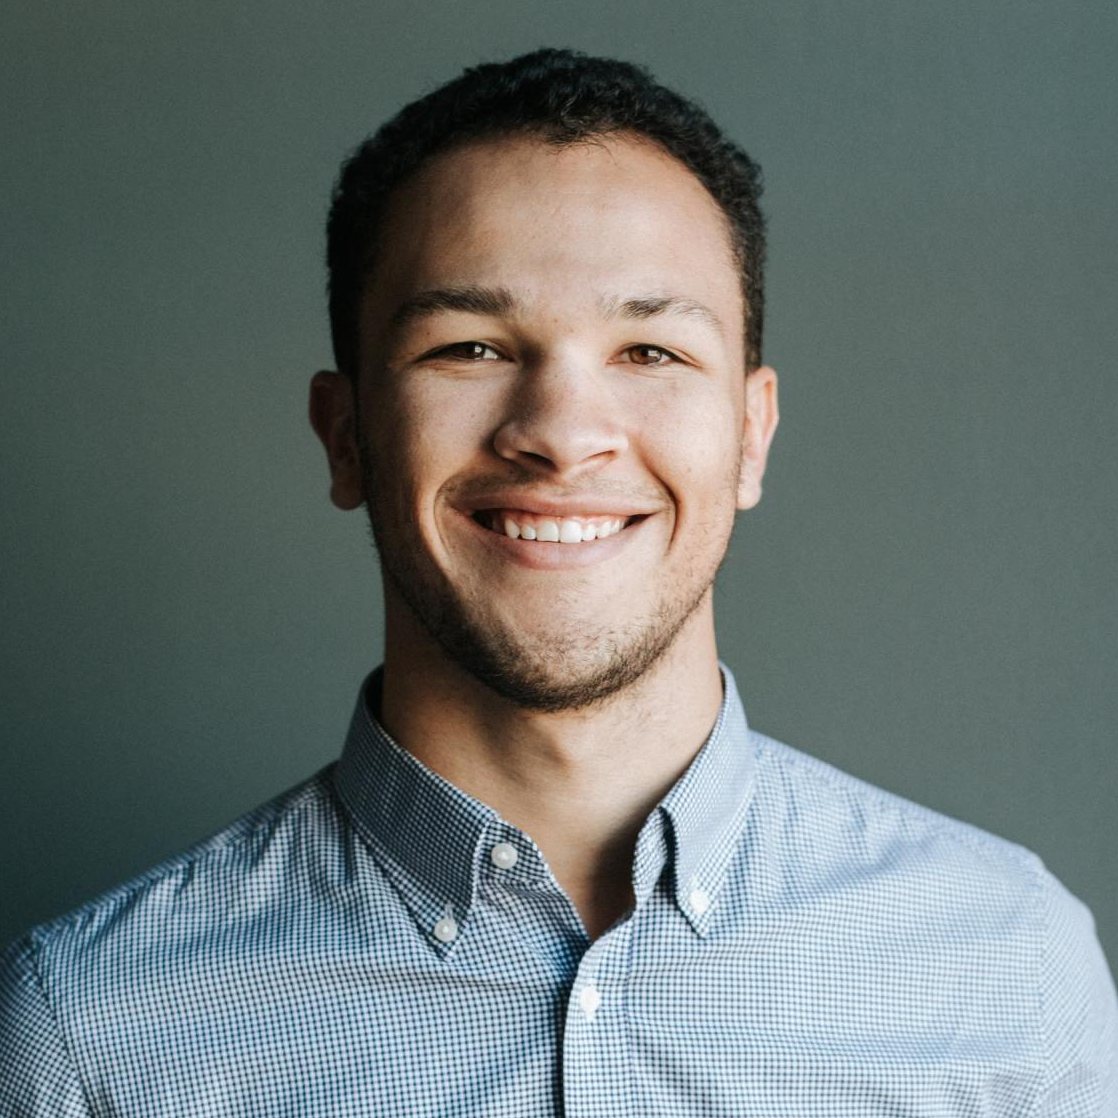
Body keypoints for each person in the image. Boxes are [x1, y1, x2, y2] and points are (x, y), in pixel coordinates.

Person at [1, 47, 1115, 1117]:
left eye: (650, 352)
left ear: (751, 434)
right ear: (345, 437)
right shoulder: (93, 1031)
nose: (562, 433)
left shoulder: (1010, 970)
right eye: (470, 347)